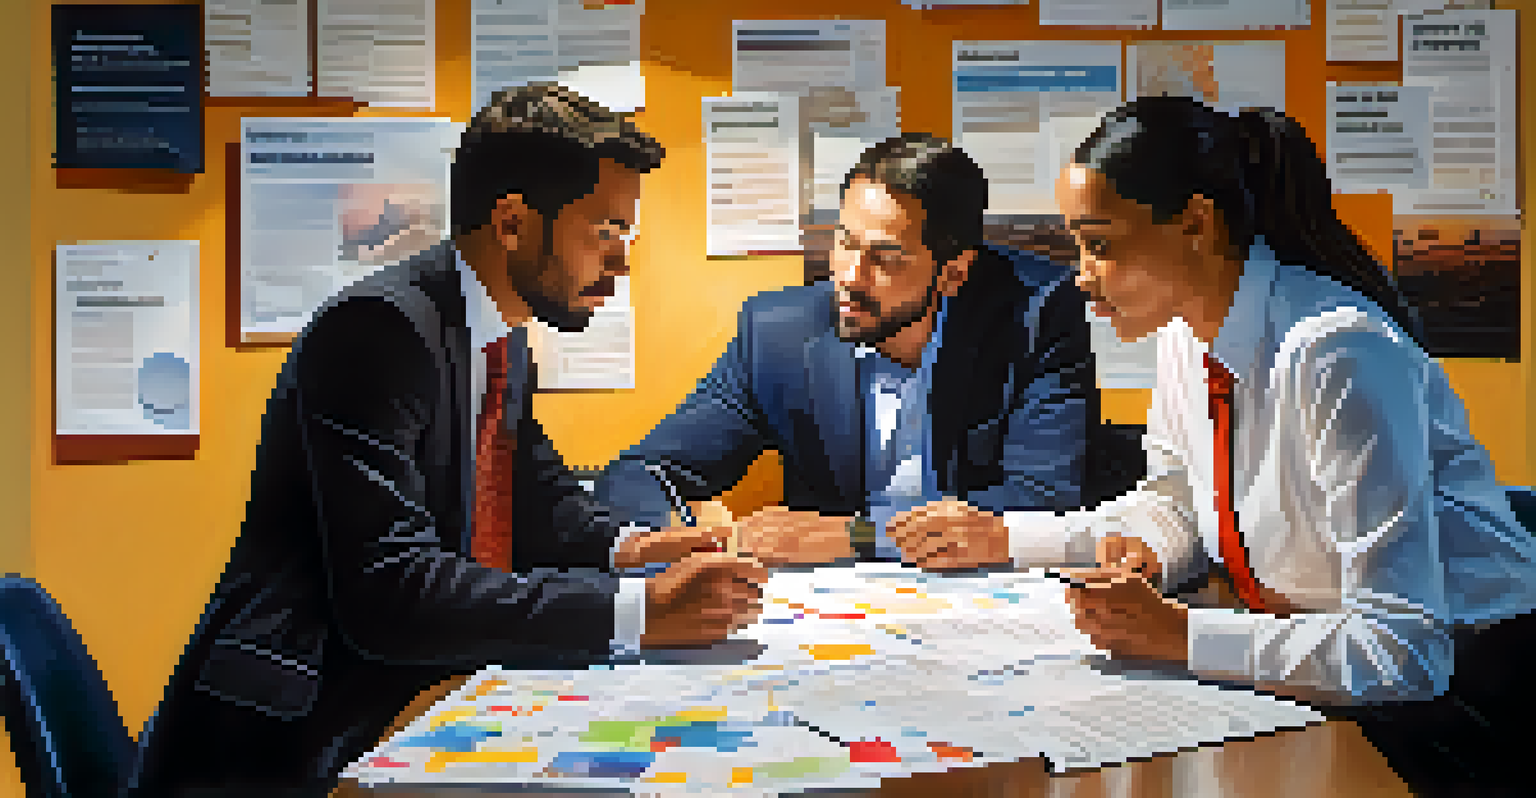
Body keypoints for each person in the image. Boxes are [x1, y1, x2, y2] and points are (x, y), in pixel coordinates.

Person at [123, 84, 765, 798]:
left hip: (404, 695)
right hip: (283, 739)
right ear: (514, 223)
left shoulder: (498, 331)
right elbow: (390, 590)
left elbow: (536, 496)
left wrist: (638, 548)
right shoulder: (377, 332)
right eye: (604, 231)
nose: (619, 262)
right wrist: (638, 614)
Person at [900, 95, 1536, 796]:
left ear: (1195, 223)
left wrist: (1178, 635)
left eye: (1101, 243)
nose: (1079, 275)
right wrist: (1023, 540)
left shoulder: (1337, 353)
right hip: (1320, 663)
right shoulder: (1184, 334)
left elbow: (1404, 651)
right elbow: (1177, 501)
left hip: (1469, 702)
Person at [596, 133, 1107, 568]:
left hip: (989, 606)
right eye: (844, 242)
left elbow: (1041, 505)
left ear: (953, 271)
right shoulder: (778, 334)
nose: (849, 276)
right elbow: (644, 471)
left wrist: (856, 536)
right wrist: (680, 539)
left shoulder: (1036, 316)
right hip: (833, 620)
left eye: (884, 258)